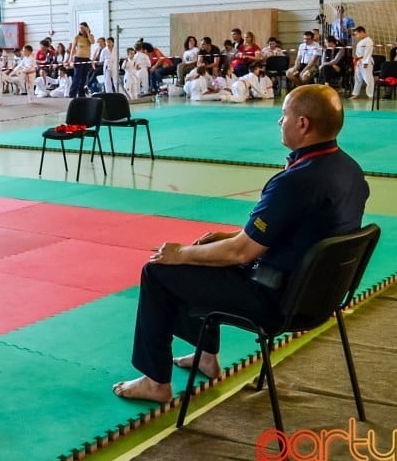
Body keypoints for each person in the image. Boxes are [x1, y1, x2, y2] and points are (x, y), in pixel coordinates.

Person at [113, 84, 369, 403]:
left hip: (278, 301)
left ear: (302, 124)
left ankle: (155, 381)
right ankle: (206, 356)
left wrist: (182, 253)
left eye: (283, 114)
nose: (280, 121)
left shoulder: (295, 182)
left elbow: (240, 253)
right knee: (201, 255)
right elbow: (292, 233)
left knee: (161, 271)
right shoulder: (349, 170)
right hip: (322, 296)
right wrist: (229, 238)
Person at [350, 26, 374, 99]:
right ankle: (355, 93)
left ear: (362, 32)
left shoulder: (368, 40)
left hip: (366, 61)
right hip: (359, 61)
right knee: (357, 78)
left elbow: (368, 52)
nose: (356, 36)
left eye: (357, 34)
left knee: (368, 78)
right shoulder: (361, 41)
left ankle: (371, 95)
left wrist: (365, 62)